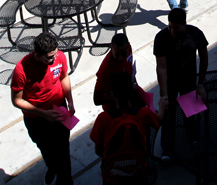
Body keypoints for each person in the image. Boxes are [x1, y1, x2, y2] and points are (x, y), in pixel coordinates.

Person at [11, 31, 76, 185]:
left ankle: (65, 180)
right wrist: (44, 114)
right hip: (36, 117)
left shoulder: (59, 56)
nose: (54, 59)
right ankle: (52, 166)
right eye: (49, 57)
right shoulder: (22, 69)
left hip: (59, 109)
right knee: (44, 146)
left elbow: (64, 76)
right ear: (37, 55)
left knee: (62, 148)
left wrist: (70, 100)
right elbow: (16, 100)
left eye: (55, 54)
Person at [89, 70, 165, 184]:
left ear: (112, 94)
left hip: (113, 179)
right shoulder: (143, 113)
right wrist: (162, 106)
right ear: (132, 90)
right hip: (138, 175)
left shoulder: (104, 119)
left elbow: (98, 150)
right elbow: (158, 121)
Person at [154, 8, 209, 160]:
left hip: (188, 80)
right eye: (170, 27)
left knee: (190, 112)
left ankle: (193, 137)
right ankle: (167, 148)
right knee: (167, 115)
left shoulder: (195, 34)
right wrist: (164, 94)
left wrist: (200, 84)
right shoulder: (161, 38)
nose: (172, 31)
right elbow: (162, 67)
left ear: (184, 25)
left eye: (176, 28)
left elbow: (204, 58)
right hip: (170, 82)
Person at [92, 33, 139, 112]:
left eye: (124, 54)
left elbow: (129, 68)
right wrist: (118, 96)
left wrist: (134, 84)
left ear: (128, 46)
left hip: (129, 100)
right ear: (111, 48)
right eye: (117, 55)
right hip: (114, 110)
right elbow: (97, 100)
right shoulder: (105, 71)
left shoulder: (128, 49)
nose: (120, 58)